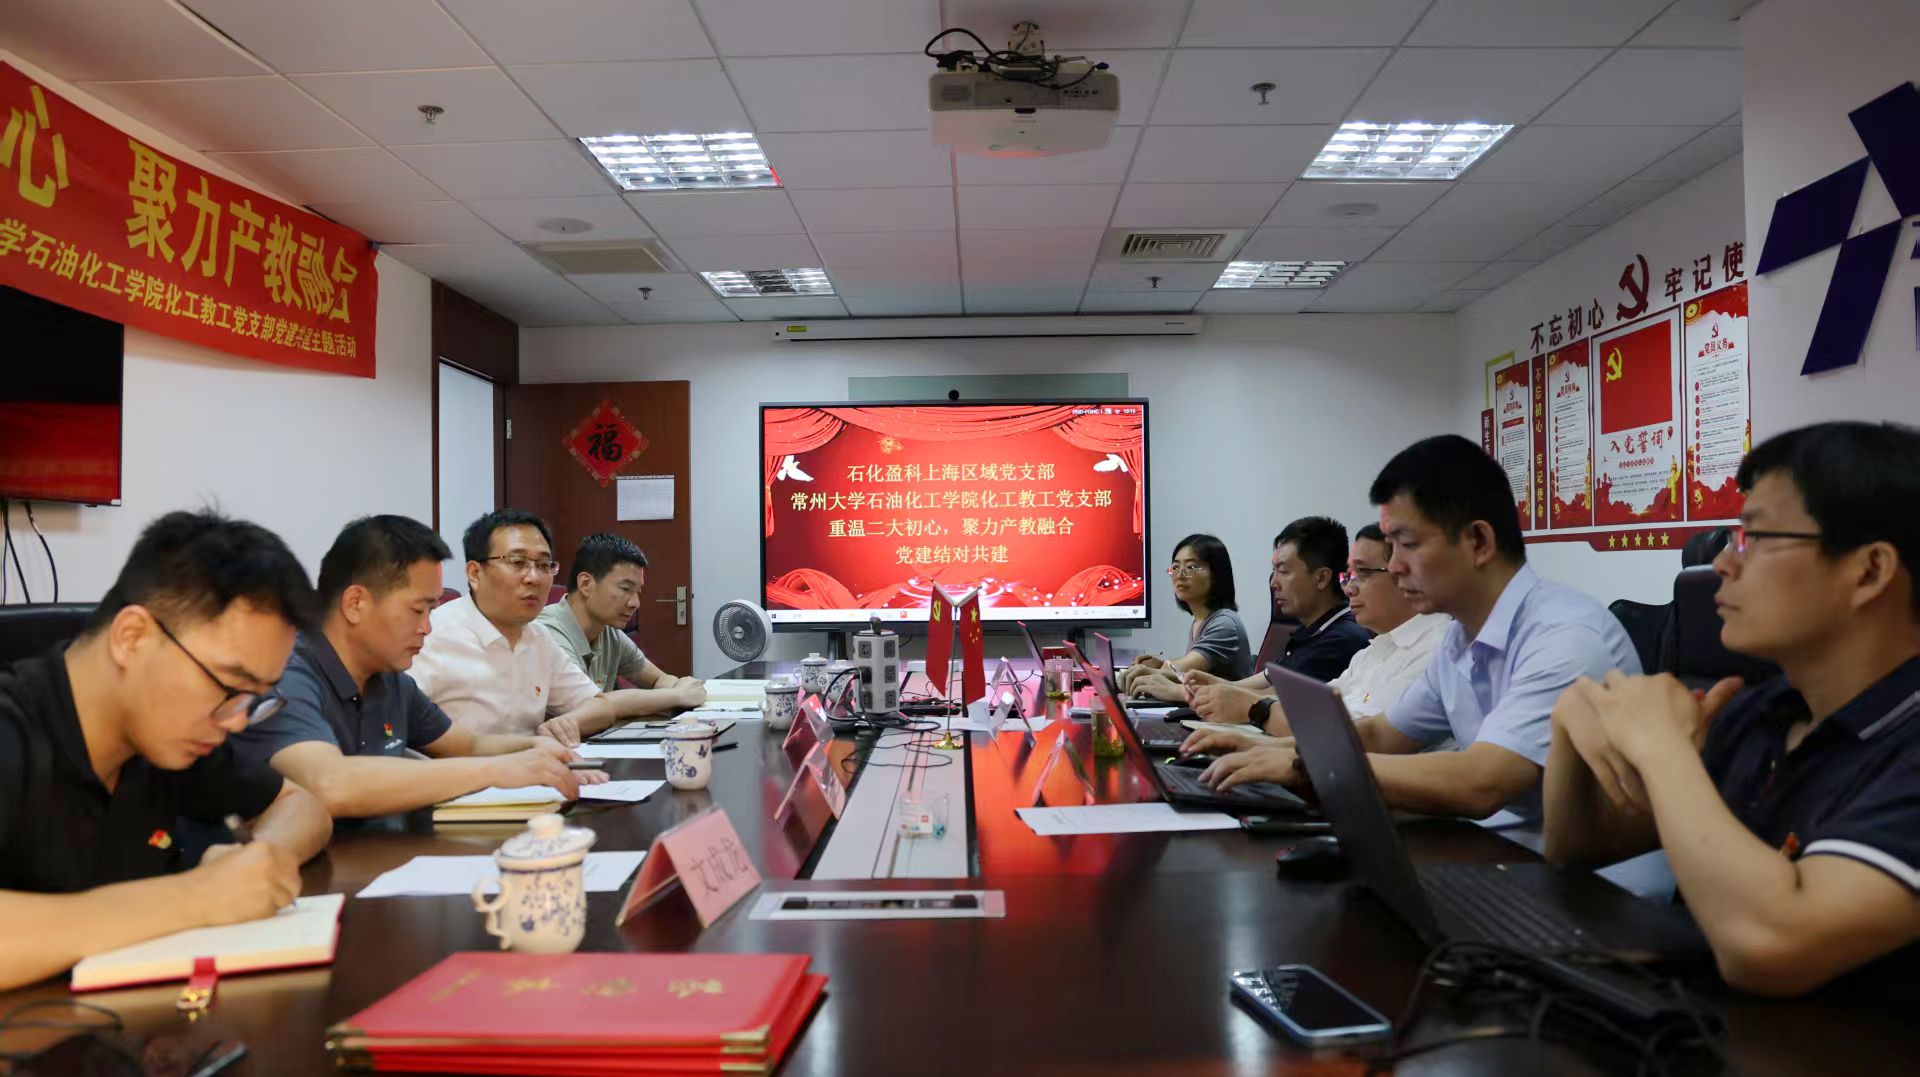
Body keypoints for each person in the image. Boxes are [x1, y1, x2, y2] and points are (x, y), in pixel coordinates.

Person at [1543, 422, 1920, 996]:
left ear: (1869, 571)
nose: (1721, 563)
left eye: (1755, 537)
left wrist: (1660, 746)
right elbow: (1578, 846)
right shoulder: (1769, 708)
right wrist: (1571, 721)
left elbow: (1769, 945)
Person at [1194, 435, 1639, 821]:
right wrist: (1251, 748)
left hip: (1590, 882)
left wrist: (1301, 768)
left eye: (1407, 544)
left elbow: (1483, 782)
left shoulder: (1564, 637)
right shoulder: (1460, 640)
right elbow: (1382, 736)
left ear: (1479, 542)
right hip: (1499, 849)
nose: (1394, 566)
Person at [0, 510, 333, 991]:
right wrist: (197, 896)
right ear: (132, 637)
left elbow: (299, 804)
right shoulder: (13, 733)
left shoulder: (169, 740)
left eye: (255, 698)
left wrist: (258, 864)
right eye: (229, 686)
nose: (237, 721)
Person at [233, 516, 605, 821]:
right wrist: (496, 771)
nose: (427, 627)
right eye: (417, 610)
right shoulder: (288, 674)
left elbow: (468, 745)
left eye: (431, 610)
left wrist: (534, 748)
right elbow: (331, 784)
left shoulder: (388, 678)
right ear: (356, 603)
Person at [1182, 523, 1450, 735]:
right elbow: (1316, 706)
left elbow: (1359, 737)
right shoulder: (1371, 651)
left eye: (1363, 573)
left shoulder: (1435, 651)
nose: (1349, 587)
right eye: (1349, 575)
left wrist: (1250, 708)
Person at [408, 510, 616, 747]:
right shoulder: (430, 636)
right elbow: (400, 732)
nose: (534, 578)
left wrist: (569, 722)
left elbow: (600, 706)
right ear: (475, 573)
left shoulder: (538, 637)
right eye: (517, 563)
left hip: (534, 765)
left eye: (544, 565)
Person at [536, 533, 706, 719]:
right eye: (625, 589)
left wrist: (681, 688)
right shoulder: (547, 632)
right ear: (585, 584)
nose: (635, 603)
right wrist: (677, 695)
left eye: (638, 592)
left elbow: (658, 679)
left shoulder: (608, 632)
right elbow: (589, 707)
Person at [1120, 533, 1251, 700]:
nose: (1179, 575)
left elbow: (1182, 671)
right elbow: (1187, 669)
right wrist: (1160, 665)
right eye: (1175, 567)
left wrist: (1152, 671)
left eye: (1191, 567)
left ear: (1216, 574)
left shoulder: (1225, 623)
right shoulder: (1200, 621)